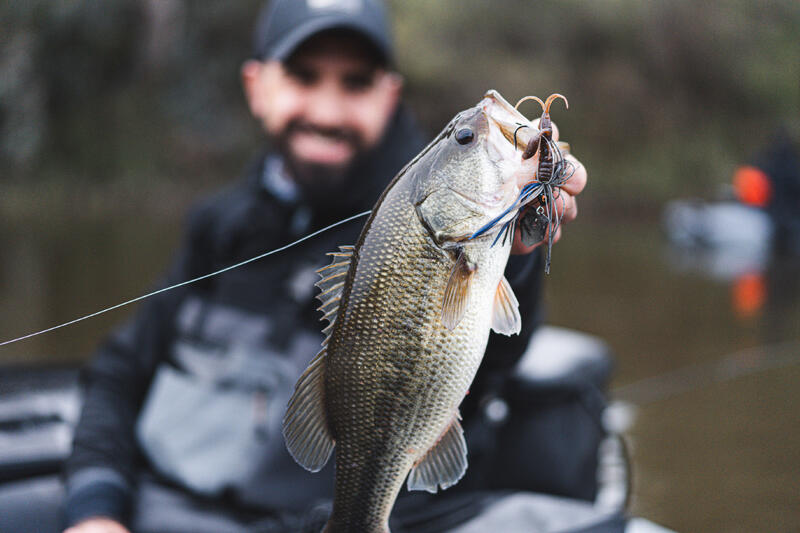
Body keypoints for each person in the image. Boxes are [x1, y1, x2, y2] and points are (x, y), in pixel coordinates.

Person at [61, 1, 588, 532]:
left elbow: (499, 347)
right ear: (256, 87)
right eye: (303, 76)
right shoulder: (217, 225)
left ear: (390, 94)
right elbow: (119, 373)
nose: (328, 110)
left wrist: (517, 251)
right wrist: (95, 510)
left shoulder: (427, 205)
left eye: (355, 82)